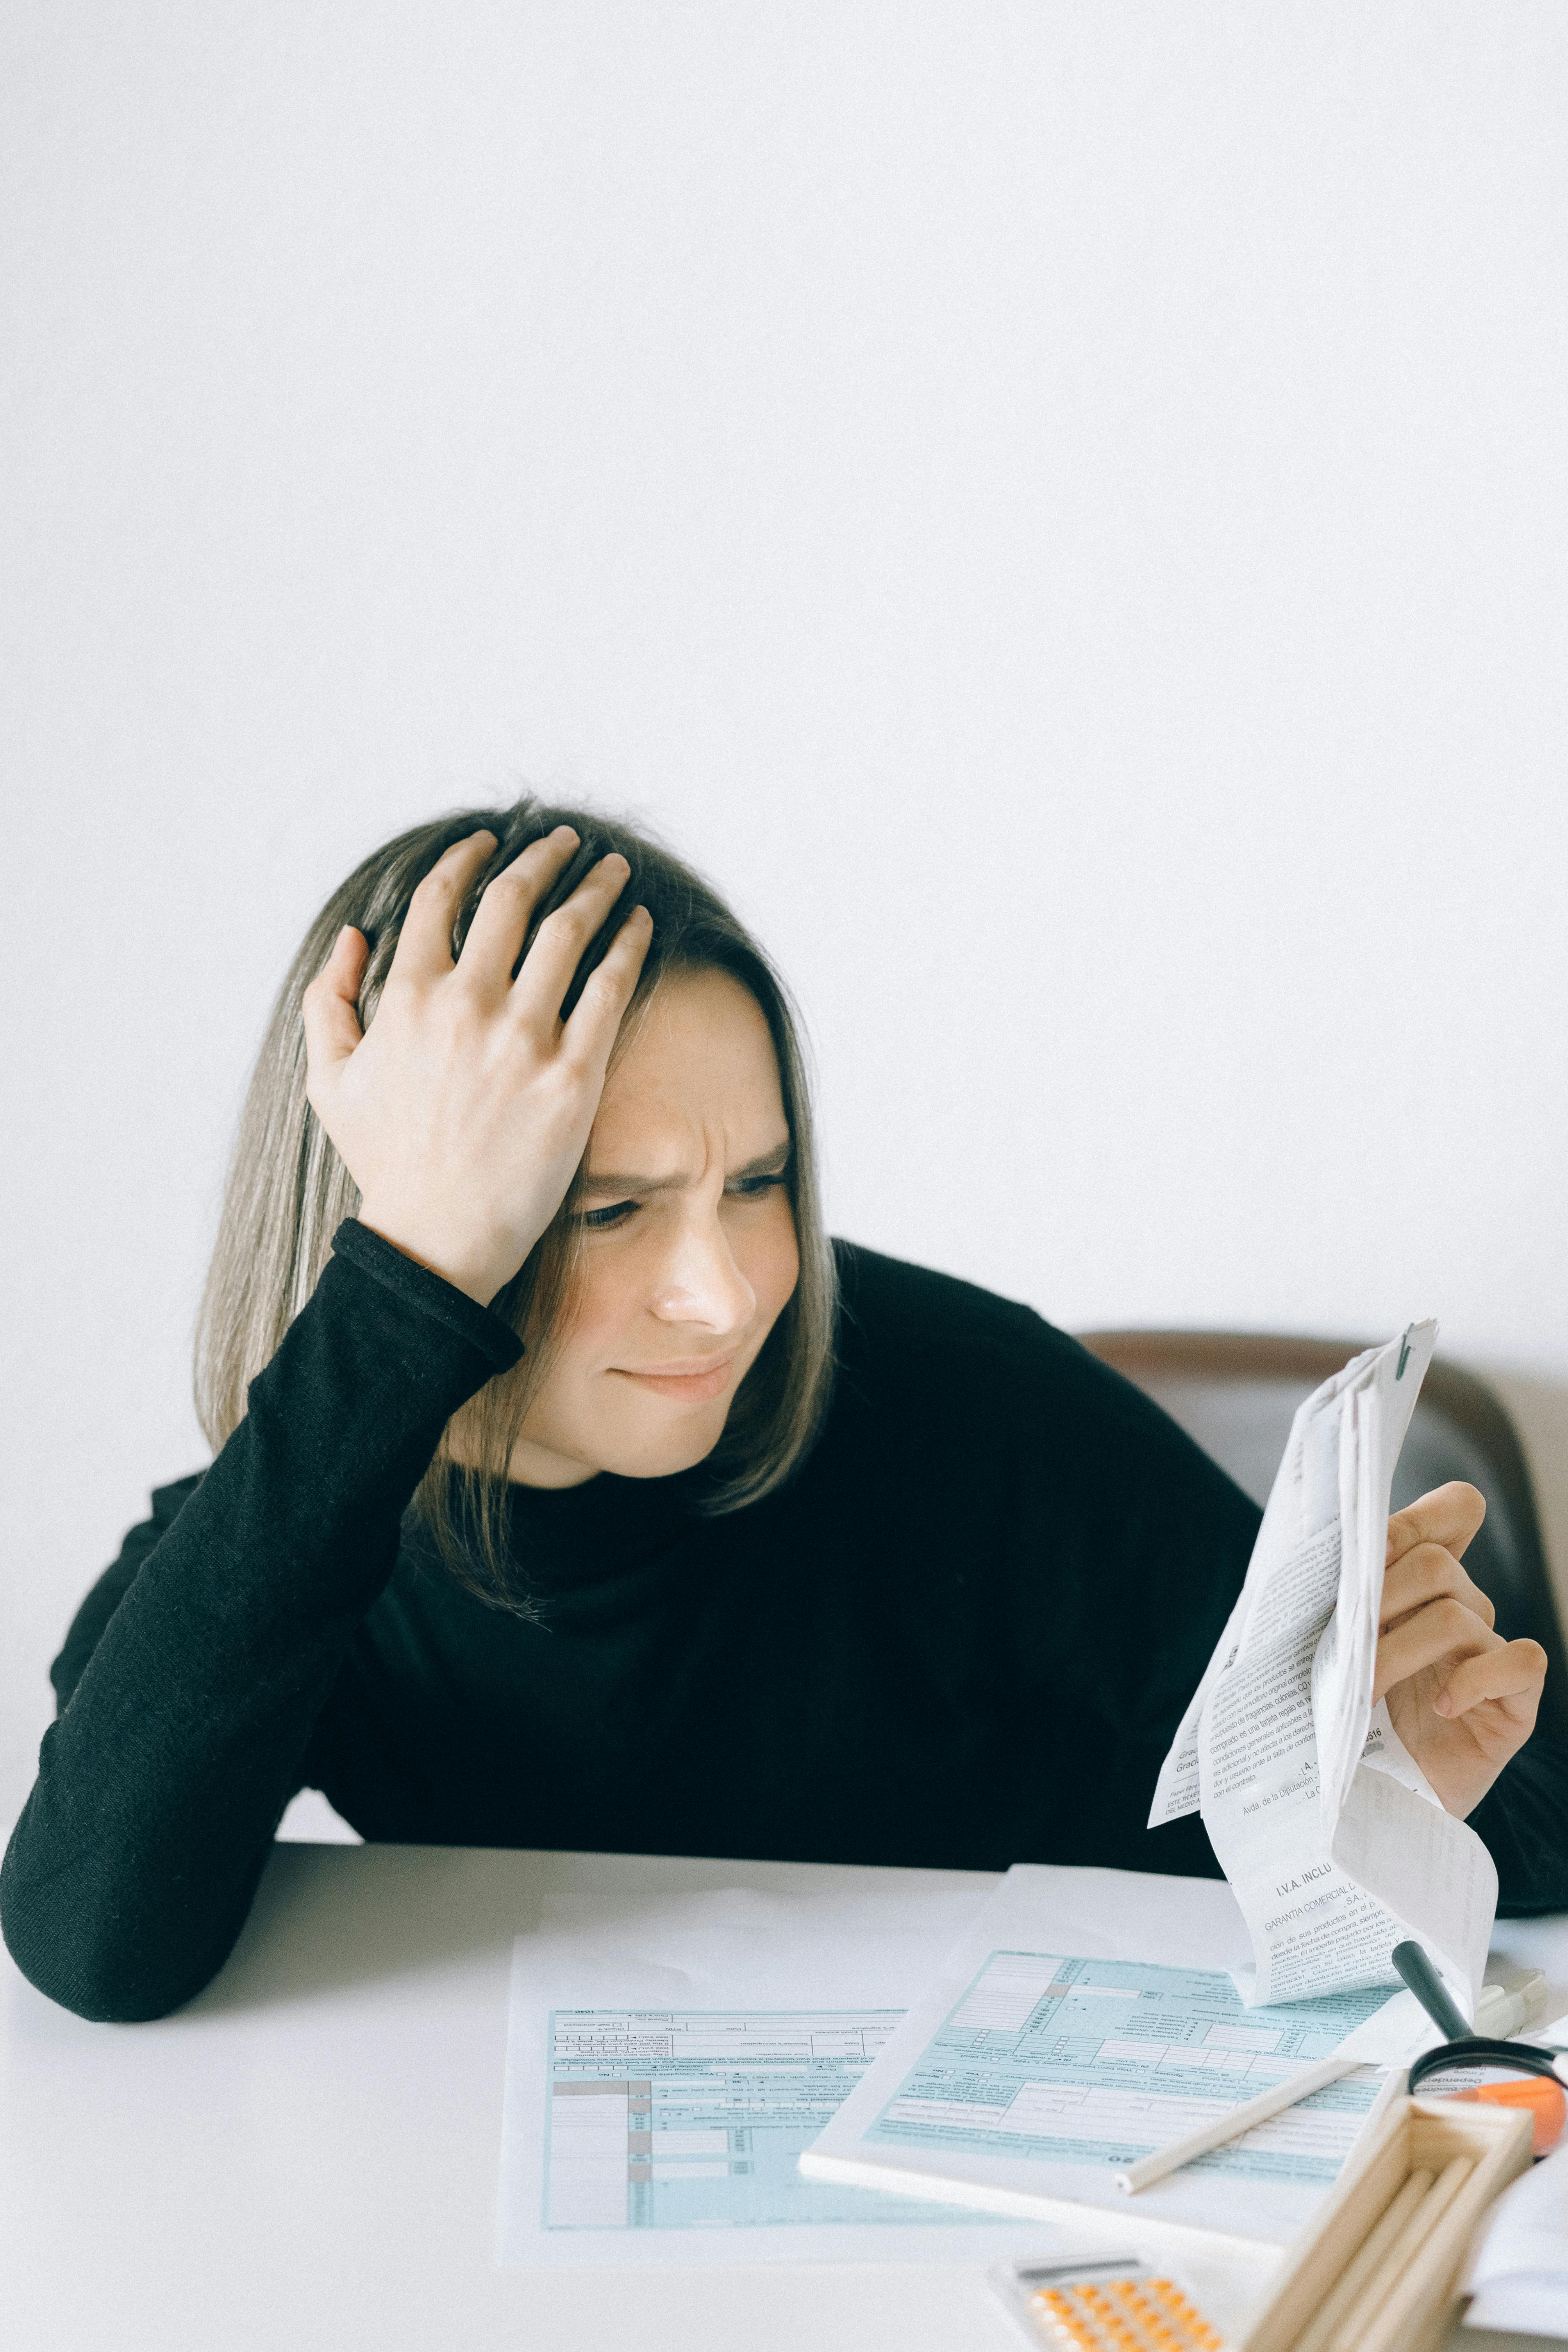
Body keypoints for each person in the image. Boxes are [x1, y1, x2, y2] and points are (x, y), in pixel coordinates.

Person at [4, 802, 1566, 2025]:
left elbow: (1531, 1824)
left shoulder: (971, 1410)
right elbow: (94, 1948)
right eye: (605, 1208)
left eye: (754, 1184)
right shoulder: (309, 1520)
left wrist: (1404, 1796)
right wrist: (405, 1291)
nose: (727, 1292)